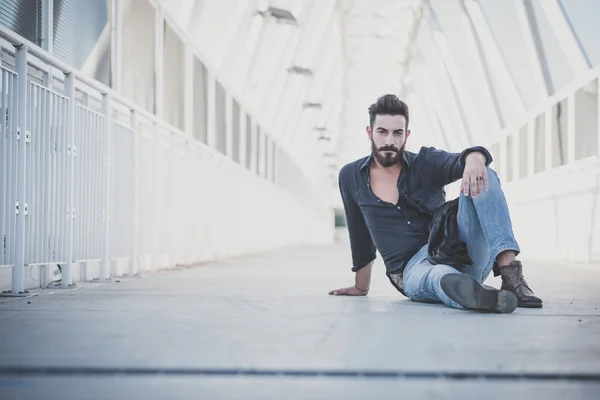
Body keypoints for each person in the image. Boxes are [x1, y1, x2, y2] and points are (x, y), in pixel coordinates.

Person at [329, 94, 542, 313]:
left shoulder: (424, 162)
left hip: (458, 253)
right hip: (412, 271)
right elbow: (359, 234)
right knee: (437, 275)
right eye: (382, 132)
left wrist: (475, 159)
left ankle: (510, 276)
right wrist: (360, 287)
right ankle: (472, 293)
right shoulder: (351, 176)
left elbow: (460, 159)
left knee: (483, 174)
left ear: (406, 135)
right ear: (369, 132)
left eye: (397, 133)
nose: (389, 141)